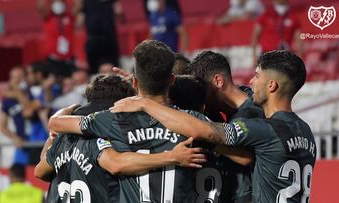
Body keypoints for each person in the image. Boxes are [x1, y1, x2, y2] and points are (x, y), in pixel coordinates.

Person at [111, 50, 317, 203]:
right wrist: (151, 86)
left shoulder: (262, 127)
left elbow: (209, 132)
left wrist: (146, 103)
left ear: (272, 86)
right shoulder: (305, 130)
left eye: (257, 76)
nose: (252, 81)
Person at [47, 40, 212, 202]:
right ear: (172, 80)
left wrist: (71, 107)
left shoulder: (111, 119)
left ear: (134, 82)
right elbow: (225, 139)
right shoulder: (193, 122)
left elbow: (56, 122)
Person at [186, 51, 265, 202]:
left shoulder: (254, 113)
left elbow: (247, 157)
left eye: (202, 91)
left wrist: (206, 141)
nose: (201, 98)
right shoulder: (237, 105)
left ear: (218, 81)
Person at [75, 0, 121, 74]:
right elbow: (78, 23)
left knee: (114, 69)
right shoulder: (87, 3)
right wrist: (78, 8)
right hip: (93, 40)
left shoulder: (111, 2)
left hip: (109, 39)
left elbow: (120, 15)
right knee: (94, 71)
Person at [252, 0, 303, 64]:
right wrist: (254, 55)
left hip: (284, 56)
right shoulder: (266, 15)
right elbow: (255, 36)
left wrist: (300, 57)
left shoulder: (293, 17)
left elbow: (299, 39)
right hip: (267, 55)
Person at [38, 0, 76, 77]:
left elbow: (78, 7)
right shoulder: (48, 18)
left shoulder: (69, 17)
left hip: (68, 58)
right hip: (53, 58)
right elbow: (41, 7)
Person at [0, 67, 29, 165]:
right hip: (21, 142)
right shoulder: (7, 101)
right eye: (13, 77)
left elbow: (28, 107)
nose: (16, 80)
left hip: (37, 139)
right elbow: (2, 127)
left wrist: (16, 92)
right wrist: (15, 137)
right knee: (19, 170)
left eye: (19, 77)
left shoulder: (32, 92)